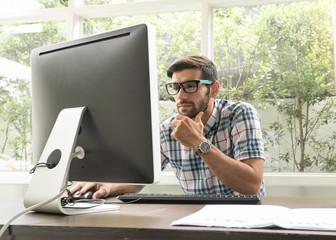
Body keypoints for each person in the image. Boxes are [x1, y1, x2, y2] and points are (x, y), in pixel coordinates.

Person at [71, 55, 266, 198]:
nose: (181, 96)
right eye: (175, 87)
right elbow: (141, 177)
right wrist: (108, 187)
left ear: (213, 89)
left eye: (190, 86)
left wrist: (199, 143)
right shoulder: (167, 130)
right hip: (196, 222)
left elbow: (251, 185)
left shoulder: (239, 114)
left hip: (245, 219)